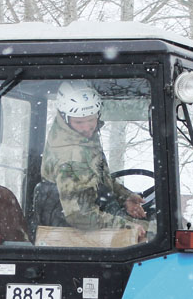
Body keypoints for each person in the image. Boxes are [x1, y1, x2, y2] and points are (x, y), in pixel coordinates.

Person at [41, 81, 149, 241]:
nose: (87, 127)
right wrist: (126, 225)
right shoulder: (71, 157)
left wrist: (125, 197)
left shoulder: (80, 137)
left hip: (93, 220)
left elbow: (97, 180)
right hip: (74, 235)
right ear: (64, 117)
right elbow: (80, 215)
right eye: (79, 122)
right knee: (153, 235)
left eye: (91, 120)